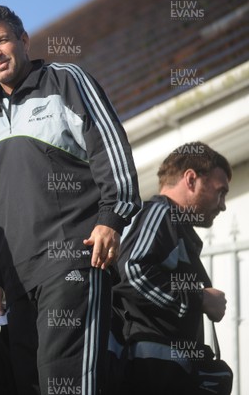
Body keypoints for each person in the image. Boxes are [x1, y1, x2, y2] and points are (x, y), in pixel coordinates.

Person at [0, 5, 141, 395]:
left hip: (73, 262)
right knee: (31, 383)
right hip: (16, 282)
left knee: (65, 381)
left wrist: (113, 217)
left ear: (23, 40)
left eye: (1, 41)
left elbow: (109, 148)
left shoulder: (65, 81)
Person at [111, 141, 231, 395]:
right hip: (149, 372)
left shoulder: (175, 227)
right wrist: (200, 299)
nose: (222, 205)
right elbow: (132, 273)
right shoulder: (160, 212)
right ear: (191, 179)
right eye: (221, 192)